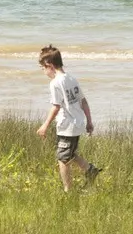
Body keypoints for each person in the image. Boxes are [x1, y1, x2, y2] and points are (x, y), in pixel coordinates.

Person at [34, 46, 100, 188]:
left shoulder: (55, 83)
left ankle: (68, 190)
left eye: (43, 68)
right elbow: (83, 101)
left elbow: (56, 106)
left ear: (49, 66)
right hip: (77, 123)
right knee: (68, 153)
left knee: (62, 158)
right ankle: (90, 170)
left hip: (67, 126)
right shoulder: (72, 79)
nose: (43, 72)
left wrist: (44, 126)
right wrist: (89, 122)